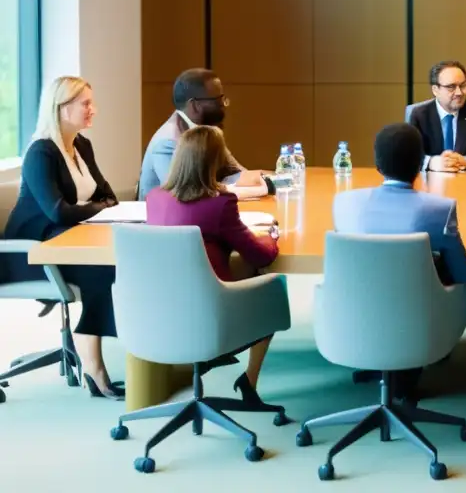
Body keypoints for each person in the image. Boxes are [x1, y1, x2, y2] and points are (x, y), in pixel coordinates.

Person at [0, 77, 123, 399]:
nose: (92, 110)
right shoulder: (41, 152)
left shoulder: (81, 145)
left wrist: (91, 206)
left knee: (114, 265)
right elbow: (58, 212)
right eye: (85, 104)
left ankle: (94, 363)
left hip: (65, 241)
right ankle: (95, 370)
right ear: (61, 108)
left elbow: (108, 194)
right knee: (103, 271)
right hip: (30, 253)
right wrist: (96, 207)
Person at [332, 123, 466, 402]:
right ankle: (406, 372)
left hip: (358, 312)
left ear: (377, 164)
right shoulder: (439, 209)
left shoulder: (344, 203)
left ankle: (379, 360)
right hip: (417, 316)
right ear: (420, 163)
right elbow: (462, 272)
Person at [145, 125, 281, 406]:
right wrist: (273, 236)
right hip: (211, 309)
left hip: (159, 310)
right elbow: (260, 256)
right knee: (273, 288)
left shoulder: (155, 198)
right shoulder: (219, 203)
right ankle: (250, 380)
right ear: (214, 161)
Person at [138, 68, 267, 200]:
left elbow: (237, 173)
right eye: (217, 100)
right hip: (168, 219)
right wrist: (240, 188)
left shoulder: (208, 133)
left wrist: (277, 178)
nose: (224, 105)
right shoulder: (167, 141)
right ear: (194, 105)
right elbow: (184, 194)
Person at [407, 60, 466, 172]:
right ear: (435, 90)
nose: (459, 92)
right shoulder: (419, 114)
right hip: (429, 184)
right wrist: (431, 162)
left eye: (463, 85)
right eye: (451, 87)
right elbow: (407, 155)